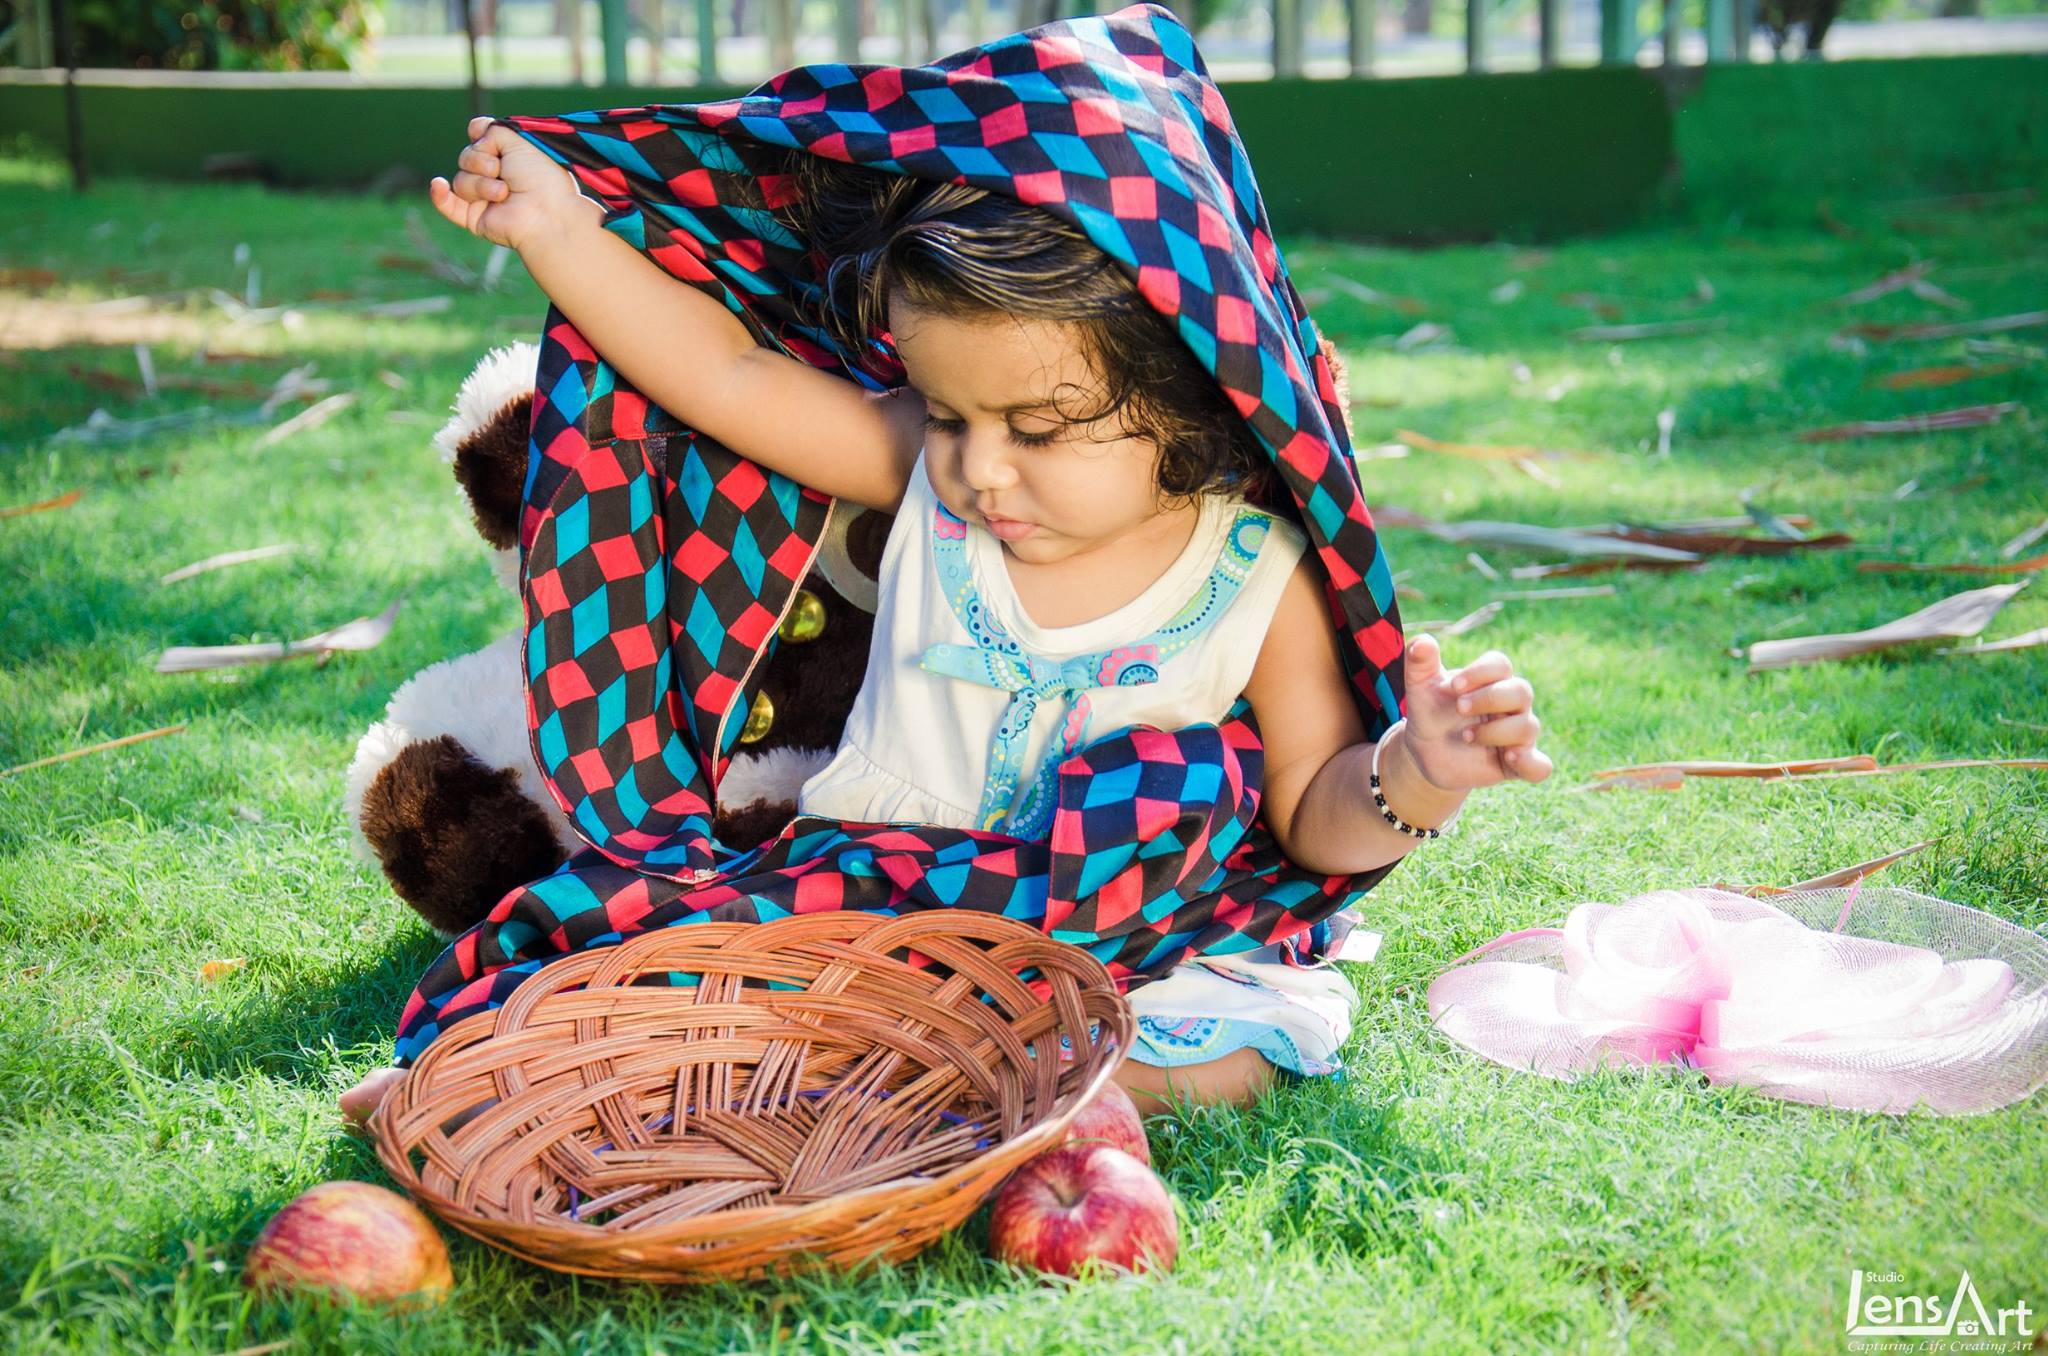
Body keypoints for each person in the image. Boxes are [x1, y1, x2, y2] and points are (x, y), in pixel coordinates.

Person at [343, 28, 1550, 1128]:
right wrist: (558, 230)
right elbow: (725, 377)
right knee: (661, 951)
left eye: (1038, 428)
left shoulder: (1253, 578)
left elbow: (1311, 812)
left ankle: (907, 1082)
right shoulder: (927, 476)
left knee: (1229, 1059)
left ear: (1191, 396)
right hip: (873, 904)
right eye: (946, 411)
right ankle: (520, 1072)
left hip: (1122, 944)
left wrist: (1415, 773)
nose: (981, 466)